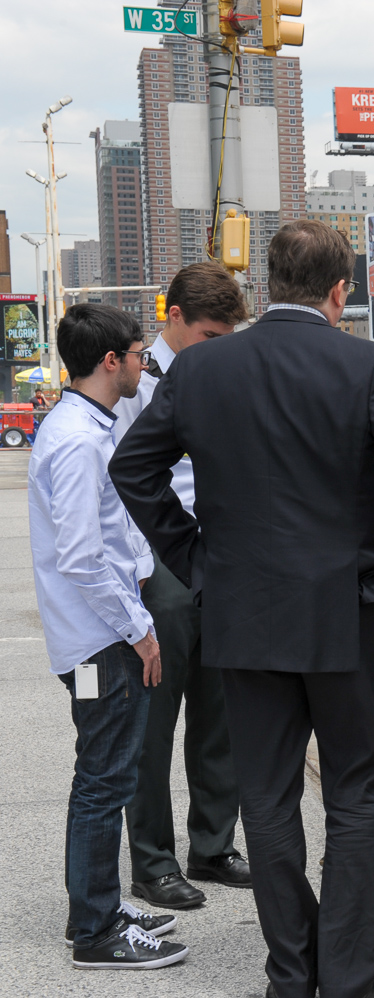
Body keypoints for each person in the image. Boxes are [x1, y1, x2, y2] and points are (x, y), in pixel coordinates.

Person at [110, 219, 374, 998]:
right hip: (346, 611)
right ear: (341, 290)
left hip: (243, 612)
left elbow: (134, 468)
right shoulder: (369, 363)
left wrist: (197, 560)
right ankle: (350, 975)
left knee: (266, 800)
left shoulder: (201, 369)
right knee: (356, 795)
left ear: (267, 285)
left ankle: (292, 973)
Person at [30, 303, 188, 969]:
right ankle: (96, 933)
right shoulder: (78, 440)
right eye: (138, 355)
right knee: (103, 781)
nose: (144, 367)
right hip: (102, 639)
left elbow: (111, 533)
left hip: (105, 629)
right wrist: (139, 629)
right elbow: (81, 557)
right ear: (110, 360)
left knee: (106, 776)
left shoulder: (89, 426)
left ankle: (96, 908)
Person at [113, 262, 251, 911]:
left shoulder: (226, 378)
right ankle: (153, 861)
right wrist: (142, 572)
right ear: (173, 318)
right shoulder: (135, 384)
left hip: (218, 555)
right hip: (159, 561)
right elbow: (121, 481)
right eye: (209, 335)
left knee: (220, 711)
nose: (218, 348)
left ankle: (213, 845)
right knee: (154, 721)